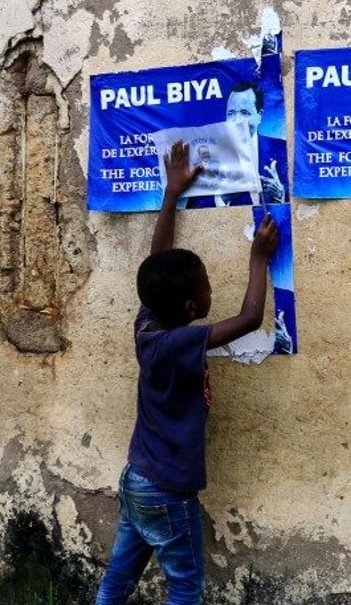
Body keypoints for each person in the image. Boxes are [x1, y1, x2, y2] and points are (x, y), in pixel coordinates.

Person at [95, 141, 278, 604]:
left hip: (138, 478)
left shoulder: (149, 325)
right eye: (208, 286)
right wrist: (258, 258)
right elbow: (250, 319)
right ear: (194, 307)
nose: (212, 290)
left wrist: (171, 195)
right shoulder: (178, 343)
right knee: (185, 586)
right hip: (167, 492)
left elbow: (158, 262)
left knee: (119, 578)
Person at [187, 80, 288, 208]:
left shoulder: (282, 150)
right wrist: (221, 198)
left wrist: (280, 195)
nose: (237, 120)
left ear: (259, 116)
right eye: (231, 113)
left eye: (245, 113)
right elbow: (194, 210)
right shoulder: (207, 156)